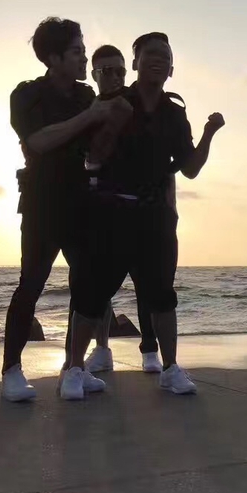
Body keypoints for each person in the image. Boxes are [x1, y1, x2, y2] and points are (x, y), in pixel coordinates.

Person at [63, 32, 224, 400]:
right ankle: (74, 369)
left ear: (172, 68)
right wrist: (114, 123)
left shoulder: (174, 112)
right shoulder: (113, 103)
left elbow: (190, 169)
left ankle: (170, 368)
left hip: (156, 217)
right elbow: (92, 160)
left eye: (164, 55)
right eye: (150, 54)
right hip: (111, 214)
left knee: (162, 294)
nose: (158, 59)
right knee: (91, 294)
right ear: (134, 63)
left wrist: (209, 134)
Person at [0, 18, 131, 402]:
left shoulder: (85, 94)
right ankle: (11, 371)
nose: (84, 58)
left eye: (83, 50)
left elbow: (96, 151)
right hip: (42, 203)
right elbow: (38, 141)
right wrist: (91, 116)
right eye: (76, 51)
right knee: (31, 283)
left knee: (87, 285)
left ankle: (73, 368)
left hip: (82, 201)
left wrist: (114, 122)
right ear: (53, 57)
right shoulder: (27, 94)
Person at [80, 44, 163, 376]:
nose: (115, 77)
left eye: (120, 71)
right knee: (97, 283)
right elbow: (86, 157)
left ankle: (150, 349)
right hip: (97, 206)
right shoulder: (88, 108)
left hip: (138, 206)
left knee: (146, 280)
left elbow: (156, 158)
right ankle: (101, 348)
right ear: (94, 74)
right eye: (107, 71)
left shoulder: (136, 105)